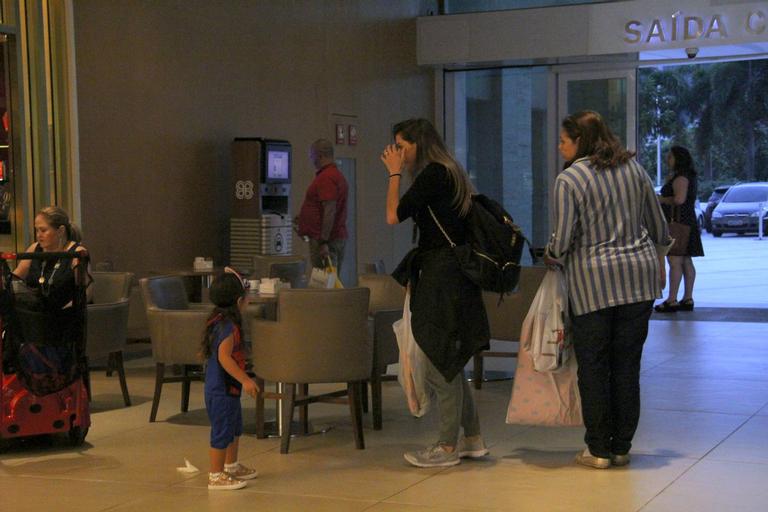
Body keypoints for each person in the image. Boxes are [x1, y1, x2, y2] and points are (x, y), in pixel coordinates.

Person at [546, 110, 672, 469]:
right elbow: (659, 228)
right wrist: (657, 255)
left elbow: (563, 240)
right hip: (638, 281)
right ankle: (621, 446)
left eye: (563, 141)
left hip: (593, 287)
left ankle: (597, 449)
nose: (560, 147)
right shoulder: (634, 170)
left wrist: (551, 255)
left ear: (579, 142)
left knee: (594, 366)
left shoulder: (570, 180)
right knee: (627, 365)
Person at [382, 118, 490, 468]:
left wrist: (394, 174)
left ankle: (446, 446)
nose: (397, 153)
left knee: (435, 354)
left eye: (402, 146)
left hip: (442, 274)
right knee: (450, 355)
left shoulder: (433, 175)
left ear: (418, 144)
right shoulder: (452, 171)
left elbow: (392, 215)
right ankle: (471, 437)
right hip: (454, 272)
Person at [200, 269, 259, 491]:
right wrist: (246, 380)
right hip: (221, 390)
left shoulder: (219, 320)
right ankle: (215, 475)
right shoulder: (228, 326)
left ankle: (231, 466)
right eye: (246, 297)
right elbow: (224, 358)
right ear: (238, 301)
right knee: (222, 431)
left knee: (234, 428)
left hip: (227, 389)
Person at [654, 146, 704, 312]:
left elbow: (679, 200)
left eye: (670, 157)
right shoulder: (689, 176)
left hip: (678, 223)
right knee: (686, 260)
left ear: (678, 159)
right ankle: (687, 298)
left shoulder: (681, 177)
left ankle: (672, 299)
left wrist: (662, 199)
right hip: (687, 222)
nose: (668, 159)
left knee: (675, 260)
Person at [296, 139, 348, 273]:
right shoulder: (336, 175)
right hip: (333, 238)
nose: (311, 159)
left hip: (326, 242)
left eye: (311, 155)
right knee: (329, 282)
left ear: (320, 156)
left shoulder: (326, 178)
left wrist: (323, 242)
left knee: (325, 285)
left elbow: (329, 210)